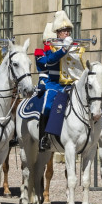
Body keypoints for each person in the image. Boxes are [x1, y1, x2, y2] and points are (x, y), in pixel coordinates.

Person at [37, 10, 77, 151]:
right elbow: (50, 60)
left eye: (68, 30)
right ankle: (44, 137)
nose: (66, 33)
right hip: (54, 83)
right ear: (57, 32)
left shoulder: (75, 45)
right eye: (63, 30)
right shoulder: (50, 46)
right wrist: (63, 49)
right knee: (47, 106)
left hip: (70, 83)